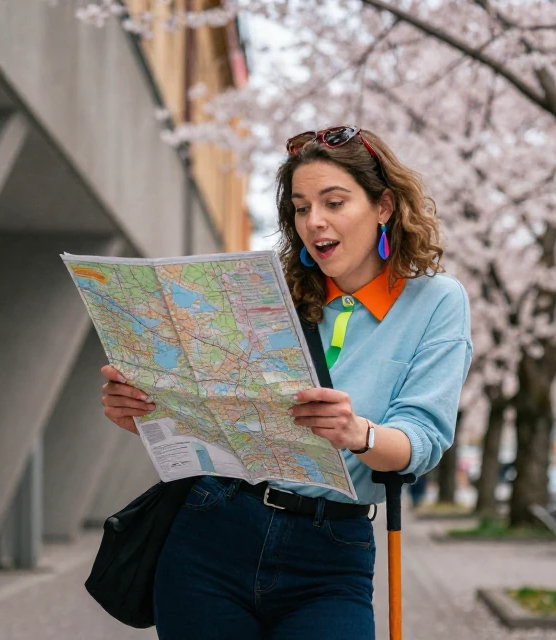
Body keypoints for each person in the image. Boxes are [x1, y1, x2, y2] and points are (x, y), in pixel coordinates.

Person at [100, 126, 473, 639]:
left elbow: (422, 441)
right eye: (300, 208)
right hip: (213, 531)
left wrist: (358, 433)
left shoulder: (437, 302)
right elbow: (219, 418)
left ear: (384, 206)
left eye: (334, 202)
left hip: (331, 553)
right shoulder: (263, 295)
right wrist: (146, 413)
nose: (314, 221)